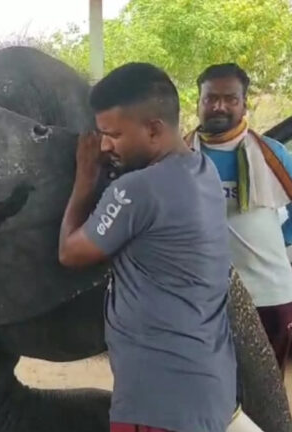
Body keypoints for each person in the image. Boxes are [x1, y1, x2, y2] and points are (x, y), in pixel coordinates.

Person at [58, 63, 239, 432]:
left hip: (158, 402)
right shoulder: (203, 170)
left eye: (113, 134)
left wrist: (84, 179)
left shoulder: (137, 189)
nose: (105, 145)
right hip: (205, 389)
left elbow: (70, 252)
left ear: (154, 129)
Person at [186, 63, 292, 375]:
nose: (219, 106)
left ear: (244, 103)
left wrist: (280, 236)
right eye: (210, 98)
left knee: (265, 397)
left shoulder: (270, 154)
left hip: (269, 295)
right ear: (199, 102)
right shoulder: (180, 156)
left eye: (230, 99)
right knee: (209, 389)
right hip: (203, 298)